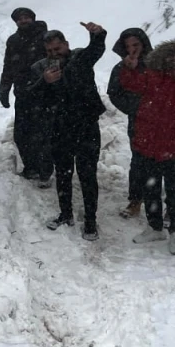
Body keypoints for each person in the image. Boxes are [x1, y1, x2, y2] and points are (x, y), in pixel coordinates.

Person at [118, 40, 175, 256]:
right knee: (150, 189)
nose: (173, 60)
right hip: (149, 145)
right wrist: (129, 68)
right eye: (169, 56)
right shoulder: (152, 75)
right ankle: (155, 228)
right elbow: (131, 85)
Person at [29, 23, 108, 241]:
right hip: (59, 128)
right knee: (63, 174)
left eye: (58, 49)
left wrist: (97, 34)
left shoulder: (80, 59)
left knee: (87, 174)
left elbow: (96, 50)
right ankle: (66, 214)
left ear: (66, 45)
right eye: (50, 51)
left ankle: (91, 220)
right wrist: (45, 82)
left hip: (86, 126)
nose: (55, 54)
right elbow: (31, 96)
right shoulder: (41, 69)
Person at [0, 7, 52, 185]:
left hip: (44, 93)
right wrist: (4, 89)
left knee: (43, 133)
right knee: (22, 134)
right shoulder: (13, 41)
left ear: (32, 18)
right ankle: (31, 167)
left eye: (26, 17)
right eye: (19, 18)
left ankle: (45, 172)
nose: (23, 21)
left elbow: (57, 59)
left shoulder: (45, 37)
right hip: (23, 93)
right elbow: (8, 66)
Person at [106, 28, 153, 219]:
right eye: (127, 46)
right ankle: (135, 200)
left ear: (144, 44)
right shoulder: (121, 68)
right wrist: (135, 108)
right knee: (138, 160)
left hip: (163, 121)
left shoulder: (158, 64)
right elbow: (114, 92)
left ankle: (167, 206)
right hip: (138, 121)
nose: (132, 50)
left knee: (165, 163)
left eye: (136, 45)